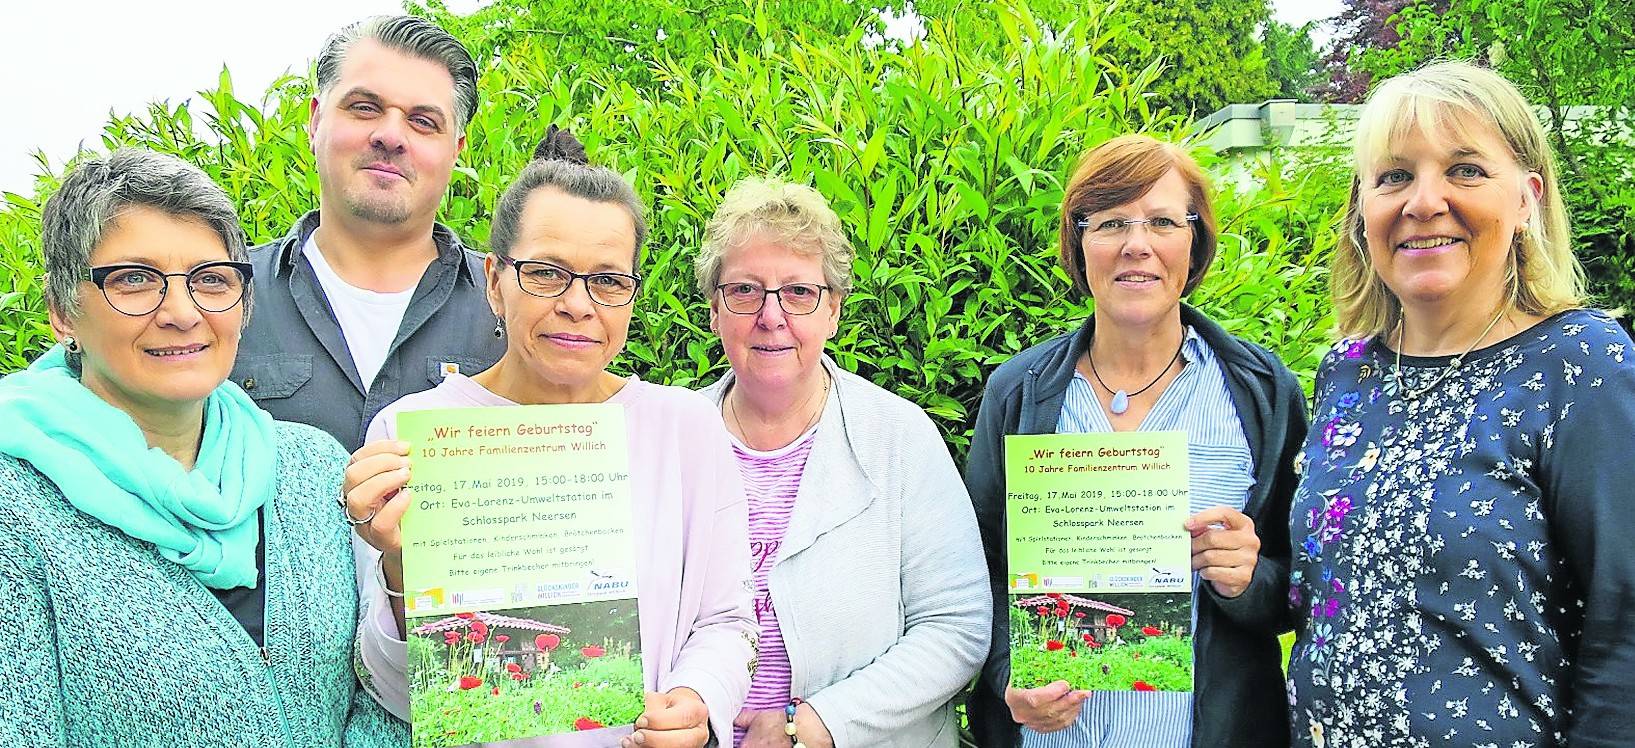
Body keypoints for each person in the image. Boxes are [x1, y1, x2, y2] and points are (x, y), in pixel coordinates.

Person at [342, 129, 755, 747]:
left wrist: (697, 702)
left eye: (609, 281)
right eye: (545, 273)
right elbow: (393, 691)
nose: (578, 305)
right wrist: (401, 564)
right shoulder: (410, 436)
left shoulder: (683, 427)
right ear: (493, 281)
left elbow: (727, 621)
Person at [0, 149, 403, 745]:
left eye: (210, 280)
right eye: (134, 280)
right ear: (63, 313)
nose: (183, 313)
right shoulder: (16, 508)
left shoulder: (312, 466)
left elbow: (374, 699)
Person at [1286, 60, 1635, 748]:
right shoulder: (1347, 373)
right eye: (1392, 177)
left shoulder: (1578, 363)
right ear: (1363, 209)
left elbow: (1625, 627)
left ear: (1526, 198)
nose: (1422, 201)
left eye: (1464, 169)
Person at [964, 134, 1307, 748]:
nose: (1137, 245)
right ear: (1080, 243)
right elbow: (974, 572)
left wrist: (1248, 580)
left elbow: (1304, 586)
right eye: (1111, 222)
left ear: (1194, 240)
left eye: (1162, 221)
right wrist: (1007, 676)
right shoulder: (1019, 393)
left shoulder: (1260, 393)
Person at [691, 178, 990, 747]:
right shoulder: (675, 439)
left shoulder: (899, 439)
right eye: (745, 291)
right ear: (714, 312)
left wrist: (815, 726)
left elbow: (956, 625)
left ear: (833, 310)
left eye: (799, 292)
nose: (771, 315)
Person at [233, 15, 503, 453]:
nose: (391, 136)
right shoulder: (220, 295)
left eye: (423, 121)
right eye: (365, 108)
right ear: (315, 121)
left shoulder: (512, 310)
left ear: (456, 150)